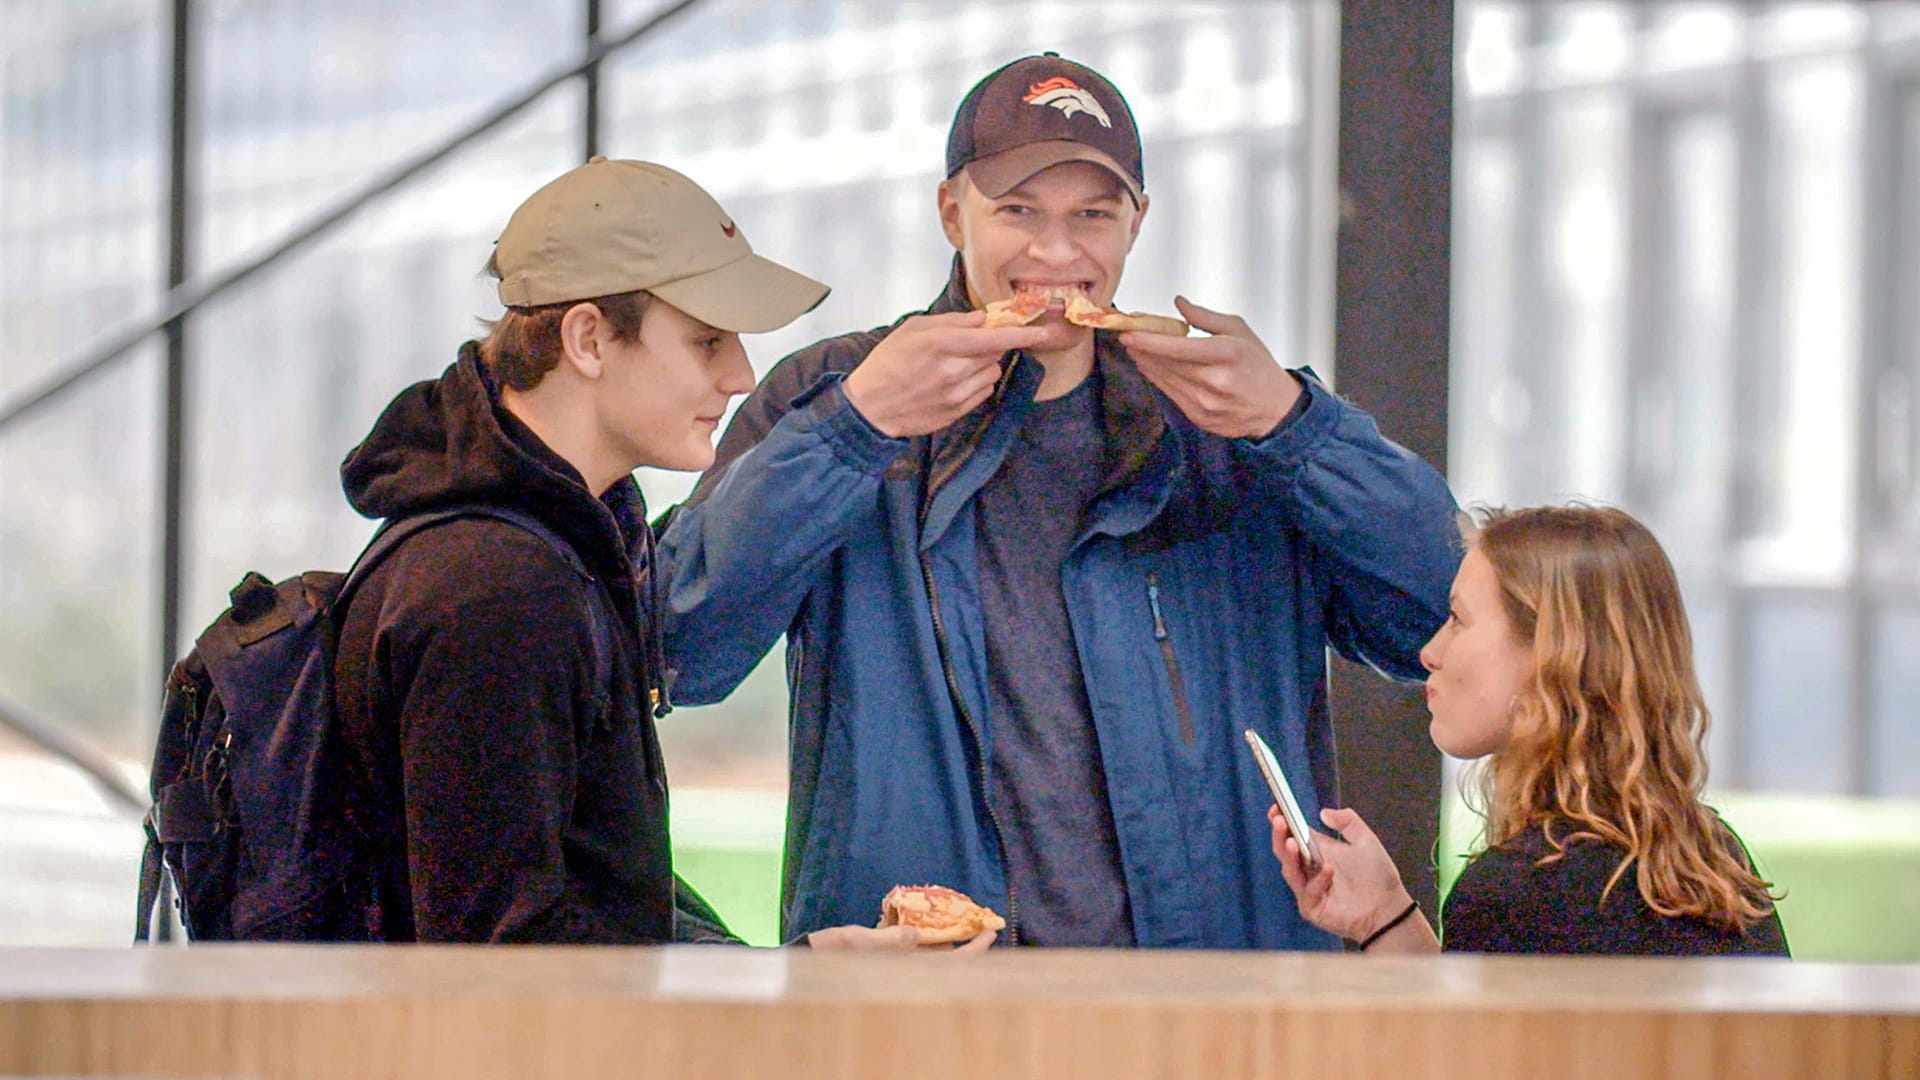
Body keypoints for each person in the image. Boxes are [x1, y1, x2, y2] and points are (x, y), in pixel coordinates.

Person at [655, 54, 1460, 948]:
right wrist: (855, 429)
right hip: (925, 989)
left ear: (1137, 222)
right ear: (951, 212)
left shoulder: (1229, 422)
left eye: (1093, 215)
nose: (1056, 252)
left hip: (1211, 998)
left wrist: (1300, 431)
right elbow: (682, 646)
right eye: (1018, 211)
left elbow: (1439, 624)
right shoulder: (838, 395)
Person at [333, 157, 981, 951]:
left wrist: (795, 970)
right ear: (588, 339)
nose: (741, 374)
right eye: (706, 340)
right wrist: (787, 978)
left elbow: (597, 896)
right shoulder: (496, 590)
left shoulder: (563, 545)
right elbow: (512, 970)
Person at [1269, 505, 1789, 956]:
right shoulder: (1713, 859)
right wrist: (1384, 915)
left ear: (1549, 656)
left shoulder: (1520, 891)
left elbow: (1457, 1038)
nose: (1429, 652)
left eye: (1457, 620)